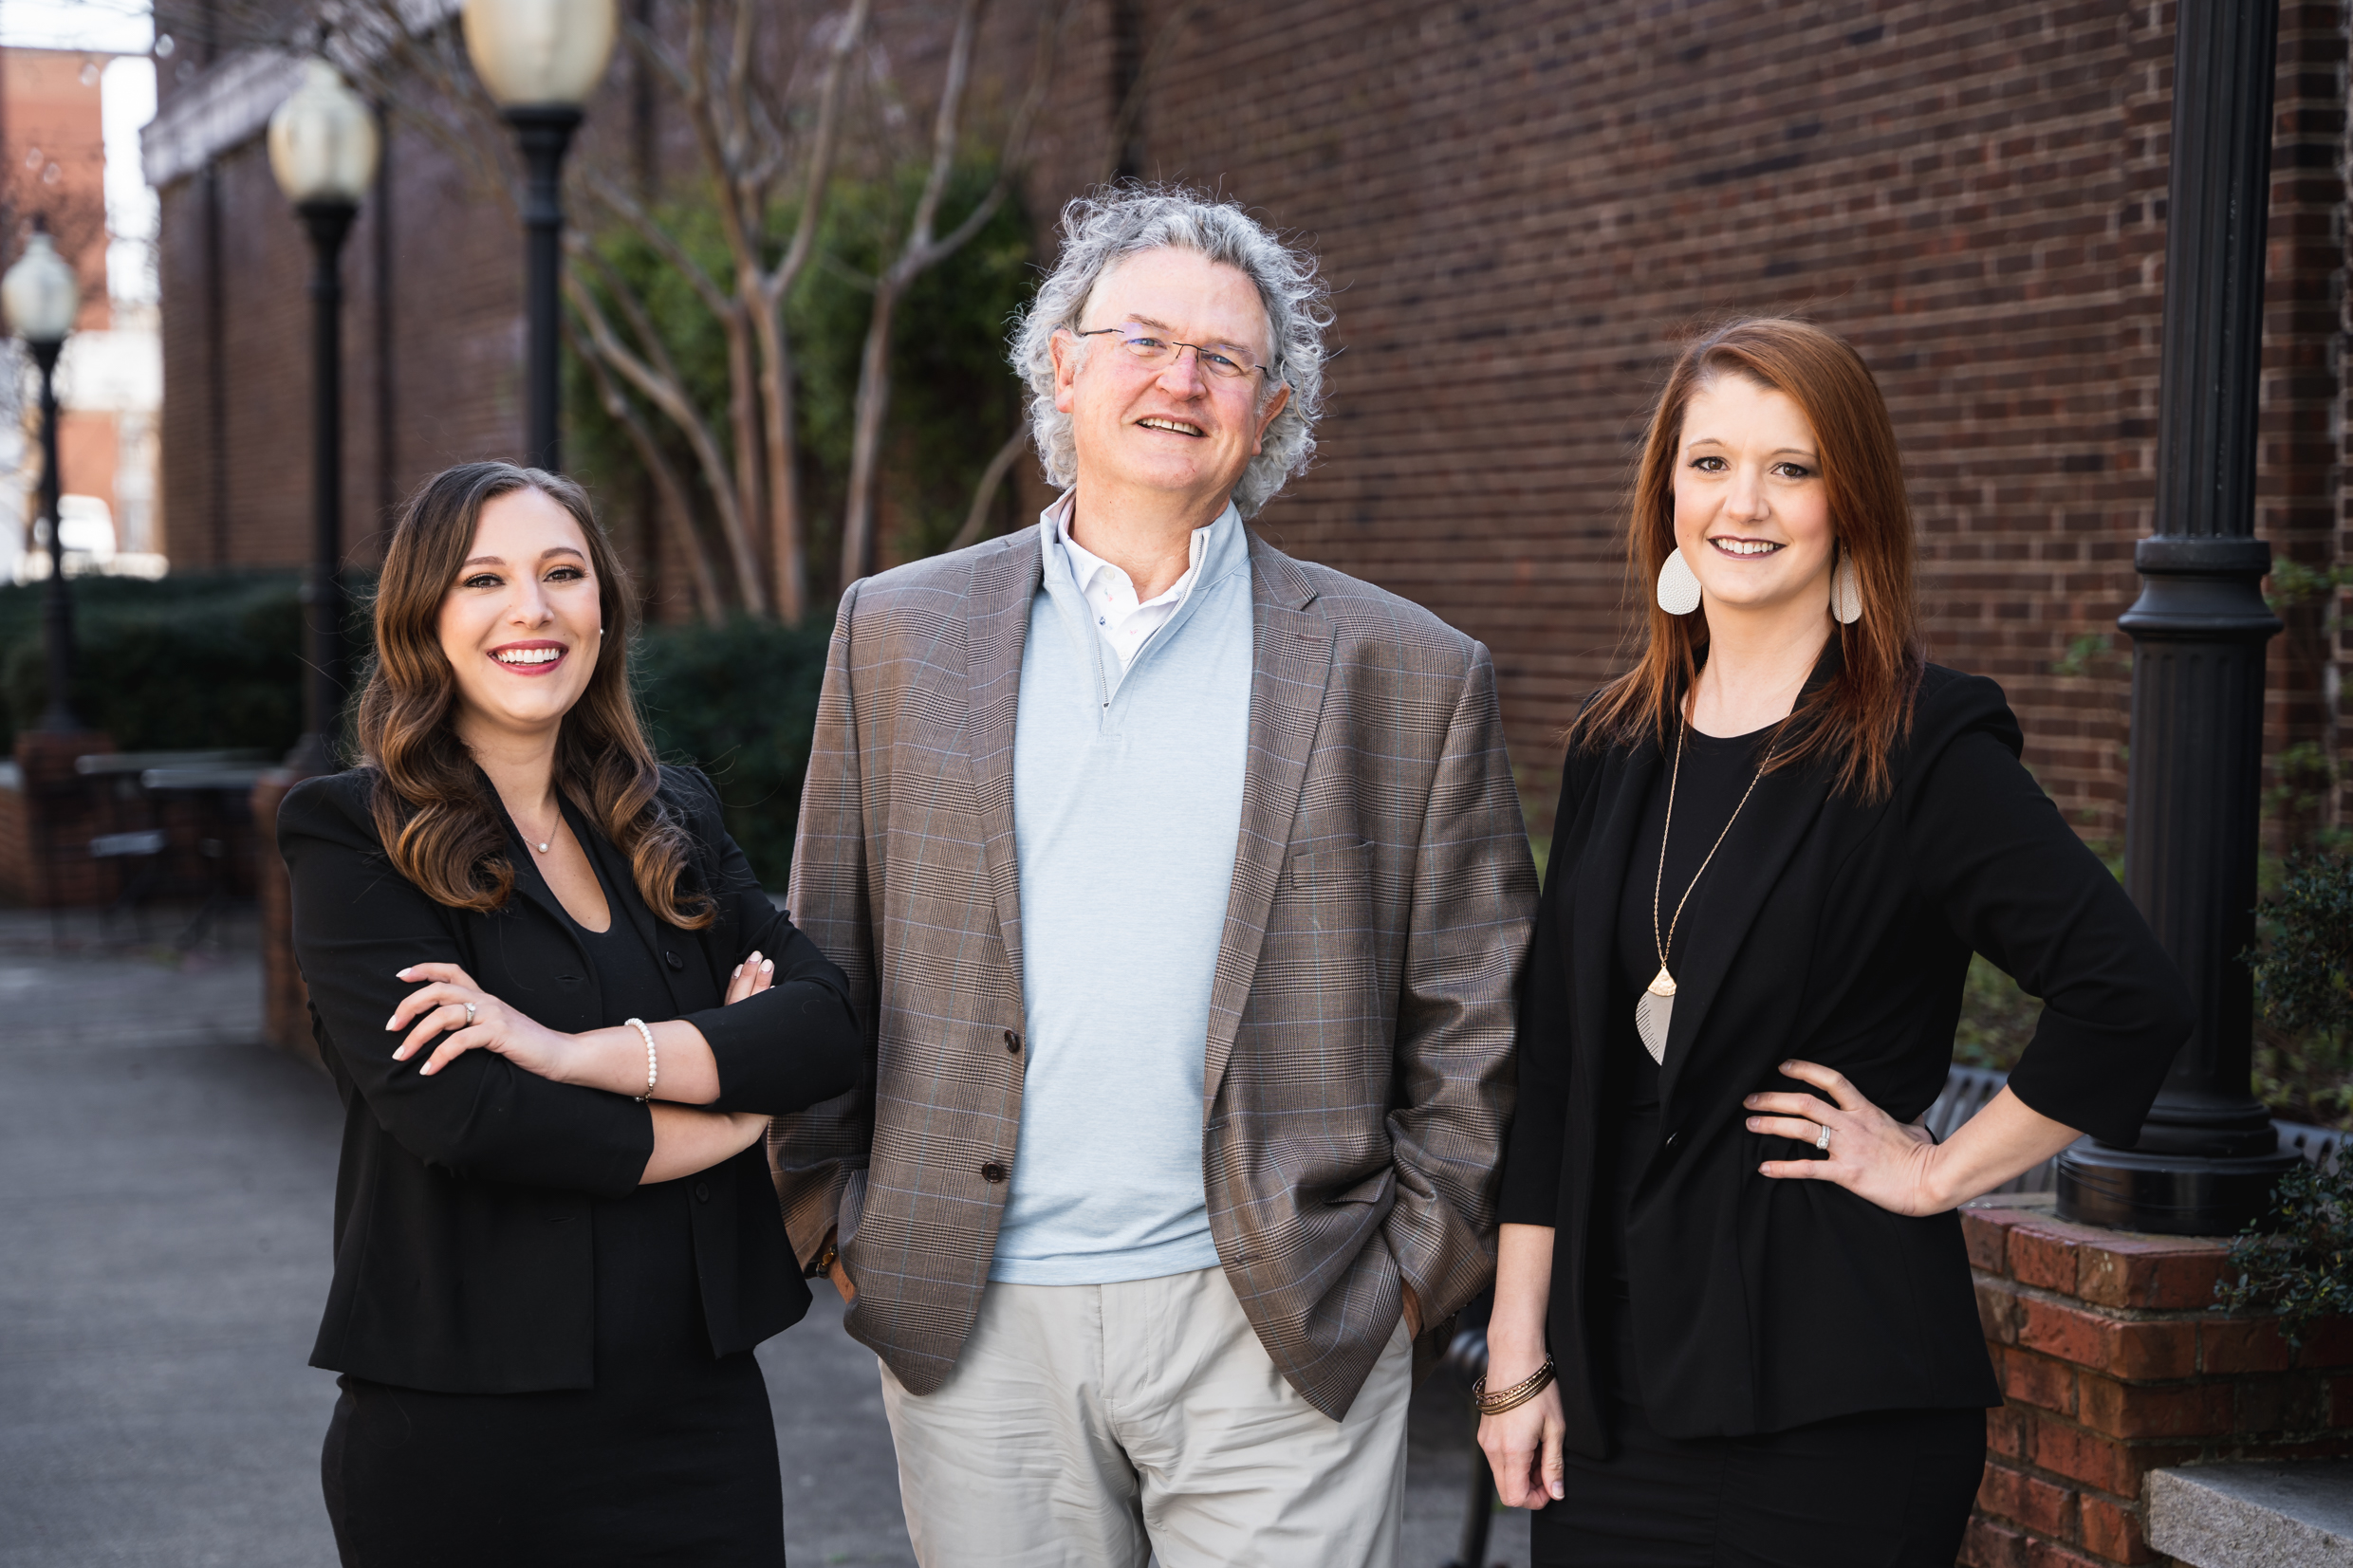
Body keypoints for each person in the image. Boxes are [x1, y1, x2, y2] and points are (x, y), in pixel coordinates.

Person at [769, 185, 1539, 1568]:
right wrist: (839, 1225)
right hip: (977, 1326)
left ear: (1271, 406)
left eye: (1224, 357)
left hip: (1283, 1322)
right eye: (1142, 339)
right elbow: (828, 948)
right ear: (1063, 364)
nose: (1180, 379)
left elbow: (1478, 1010)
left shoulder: (1405, 668)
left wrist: (1410, 1283)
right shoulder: (897, 633)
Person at [1474, 317, 2193, 1565]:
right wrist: (1517, 1355)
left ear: (1847, 499)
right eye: (1709, 463)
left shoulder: (1923, 744)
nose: (1742, 503)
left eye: (1790, 467)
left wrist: (1936, 1173)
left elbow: (2124, 994)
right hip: (1610, 1399)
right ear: (1666, 491)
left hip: (1831, 1405)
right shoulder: (1615, 742)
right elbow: (1555, 1079)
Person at [277, 461, 861, 1568]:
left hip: (698, 1418)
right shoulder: (353, 837)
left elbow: (823, 1024)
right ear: (424, 620)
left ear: (604, 606)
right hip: (462, 1430)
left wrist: (569, 1051)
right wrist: (731, 1110)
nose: (531, 610)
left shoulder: (669, 812)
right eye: (482, 580)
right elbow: (474, 1118)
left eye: (562, 573)